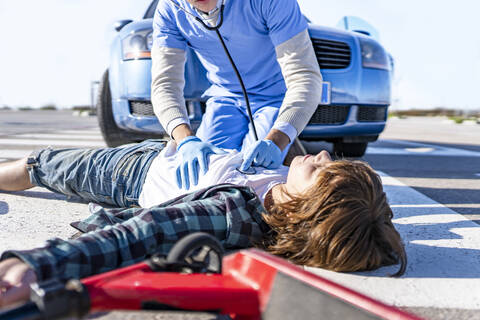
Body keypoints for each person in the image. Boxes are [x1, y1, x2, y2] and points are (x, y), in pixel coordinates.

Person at [0, 140, 406, 308]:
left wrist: (38, 266)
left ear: (310, 205)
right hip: (185, 154)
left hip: (138, 172)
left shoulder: (229, 214)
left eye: (320, 171)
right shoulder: (291, 198)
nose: (320, 154)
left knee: (41, 165)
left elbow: (140, 235)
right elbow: (363, 223)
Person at [151, 0, 323, 190]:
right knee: (204, 177)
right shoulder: (169, 9)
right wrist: (185, 140)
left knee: (254, 177)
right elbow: (164, 84)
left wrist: (278, 138)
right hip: (224, 98)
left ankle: (290, 153)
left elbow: (304, 76)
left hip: (274, 98)